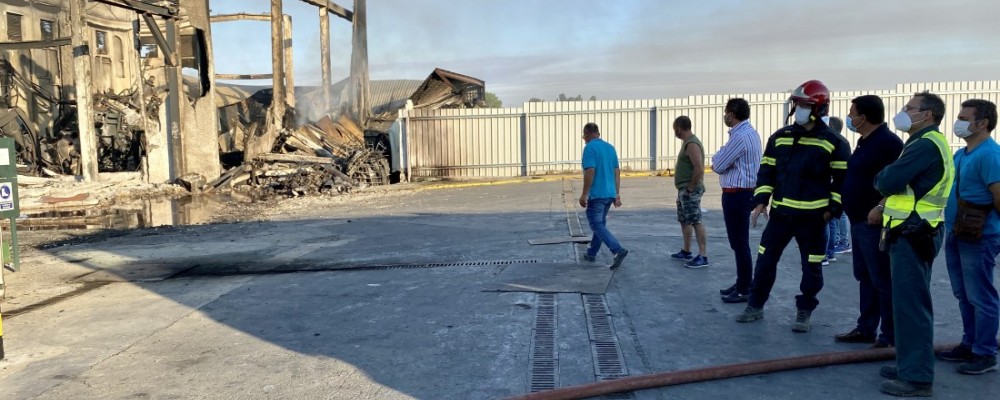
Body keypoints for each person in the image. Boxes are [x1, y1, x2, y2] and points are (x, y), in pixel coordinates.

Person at [734, 80, 850, 332]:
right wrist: (761, 200)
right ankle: (755, 305)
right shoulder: (780, 137)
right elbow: (767, 171)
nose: (798, 109)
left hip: (813, 219)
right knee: (765, 262)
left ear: (819, 108)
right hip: (781, 217)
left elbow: (843, 182)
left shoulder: (833, 141)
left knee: (811, 267)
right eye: (796, 104)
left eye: (804, 105)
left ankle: (804, 312)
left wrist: (831, 210)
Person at [874, 91, 953, 397]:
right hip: (915, 231)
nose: (904, 112)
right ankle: (909, 363)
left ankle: (917, 376)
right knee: (906, 303)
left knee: (911, 306)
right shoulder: (924, 143)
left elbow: (885, 181)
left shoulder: (924, 146)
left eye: (910, 108)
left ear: (927, 115)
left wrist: (885, 177)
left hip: (914, 233)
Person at [833, 95, 903, 349]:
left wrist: (880, 207)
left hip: (874, 223)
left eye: (852, 113)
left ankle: (890, 335)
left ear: (865, 116)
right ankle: (866, 328)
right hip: (858, 221)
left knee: (881, 278)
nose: (850, 117)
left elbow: (898, 182)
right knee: (865, 276)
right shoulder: (865, 141)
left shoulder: (887, 143)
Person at [937, 99, 1000, 375]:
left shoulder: (989, 155)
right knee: (964, 294)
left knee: (980, 295)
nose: (958, 122)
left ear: (982, 123)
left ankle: (984, 352)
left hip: (980, 236)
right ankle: (970, 343)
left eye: (964, 117)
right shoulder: (963, 154)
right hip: (958, 232)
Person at [712, 98, 762, 302]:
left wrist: (719, 156)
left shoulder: (740, 137)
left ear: (732, 113)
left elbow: (718, 164)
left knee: (739, 243)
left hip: (737, 194)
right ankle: (743, 281)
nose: (725, 116)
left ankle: (744, 288)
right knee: (739, 242)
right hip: (743, 192)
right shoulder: (751, 134)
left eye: (726, 112)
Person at [579, 122, 629, 270]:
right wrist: (617, 193)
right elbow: (617, 172)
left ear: (588, 133)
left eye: (584, 136)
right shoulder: (610, 148)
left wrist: (584, 194)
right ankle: (592, 253)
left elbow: (590, 171)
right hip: (609, 193)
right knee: (600, 224)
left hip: (597, 194)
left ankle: (617, 250)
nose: (584, 139)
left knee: (596, 224)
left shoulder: (589, 148)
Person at [669, 116, 708, 268]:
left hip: (690, 189)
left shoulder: (692, 144)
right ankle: (686, 251)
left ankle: (703, 256)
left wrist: (690, 188)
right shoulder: (687, 143)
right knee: (685, 220)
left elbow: (699, 169)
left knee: (696, 220)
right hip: (684, 190)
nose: (675, 132)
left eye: (675, 129)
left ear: (679, 127)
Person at [823, 116, 851, 266]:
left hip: (833, 190)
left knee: (830, 221)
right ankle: (831, 251)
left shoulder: (836, 144)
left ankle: (826, 253)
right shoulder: (841, 142)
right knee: (833, 221)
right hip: (838, 189)